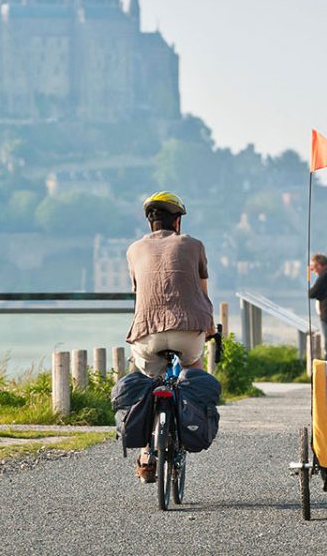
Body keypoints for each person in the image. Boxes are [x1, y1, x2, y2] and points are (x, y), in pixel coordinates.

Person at [125, 191, 215, 482]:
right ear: (177, 221)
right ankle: (193, 426)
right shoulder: (194, 245)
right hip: (188, 329)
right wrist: (210, 329)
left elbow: (141, 292)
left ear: (149, 222)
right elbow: (202, 293)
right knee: (192, 371)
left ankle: (146, 454)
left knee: (143, 377)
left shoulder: (133, 250)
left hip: (147, 330)